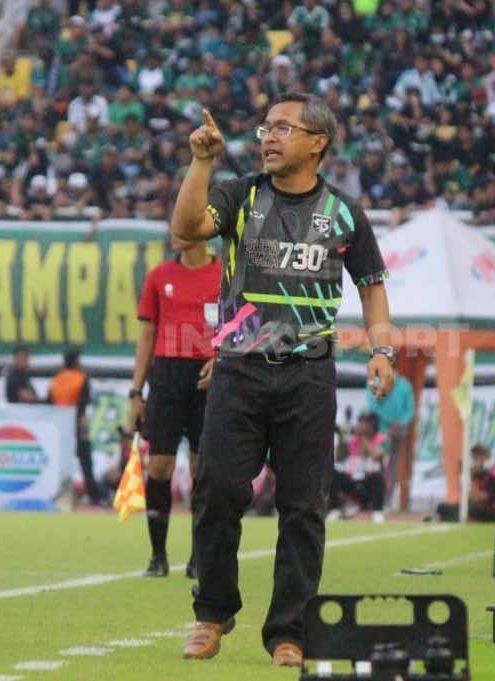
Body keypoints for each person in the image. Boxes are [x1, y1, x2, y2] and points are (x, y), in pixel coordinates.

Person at [171, 94, 394, 667]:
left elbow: (370, 285)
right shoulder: (240, 194)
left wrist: (381, 349)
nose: (268, 137)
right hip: (238, 371)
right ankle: (211, 614)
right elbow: (186, 230)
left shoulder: (344, 213)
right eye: (266, 127)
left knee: (303, 507)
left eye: (283, 128)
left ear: (317, 142)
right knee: (217, 490)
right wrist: (202, 163)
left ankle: (290, 632)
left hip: (309, 378)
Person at [128, 233, 221, 578]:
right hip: (166, 376)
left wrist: (221, 360)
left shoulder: (224, 274)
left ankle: (199, 558)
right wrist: (136, 392)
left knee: (203, 469)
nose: (174, 234)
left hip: (208, 376)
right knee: (160, 467)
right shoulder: (159, 276)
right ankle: (158, 556)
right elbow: (146, 336)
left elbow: (238, 328)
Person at [49, 347, 105, 506]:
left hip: (60, 427)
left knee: (59, 463)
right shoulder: (81, 378)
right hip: (78, 425)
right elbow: (84, 402)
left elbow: (49, 403)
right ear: (75, 362)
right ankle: (93, 496)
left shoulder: (56, 380)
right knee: (86, 462)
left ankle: (59, 494)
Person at [365, 372, 414, 509]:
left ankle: (387, 500)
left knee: (392, 467)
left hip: (397, 432)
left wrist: (398, 423)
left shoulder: (404, 384)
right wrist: (387, 423)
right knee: (374, 465)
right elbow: (371, 404)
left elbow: (409, 411)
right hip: (378, 431)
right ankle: (369, 498)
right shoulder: (374, 382)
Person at [333, 413, 389, 523]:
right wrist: (341, 438)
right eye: (359, 423)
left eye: (363, 423)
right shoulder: (353, 440)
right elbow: (339, 459)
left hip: (371, 481)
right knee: (334, 474)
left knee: (377, 477)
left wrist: (362, 438)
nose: (359, 426)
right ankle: (335, 509)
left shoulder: (382, 439)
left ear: (372, 425)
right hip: (354, 478)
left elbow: (377, 456)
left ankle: (377, 512)